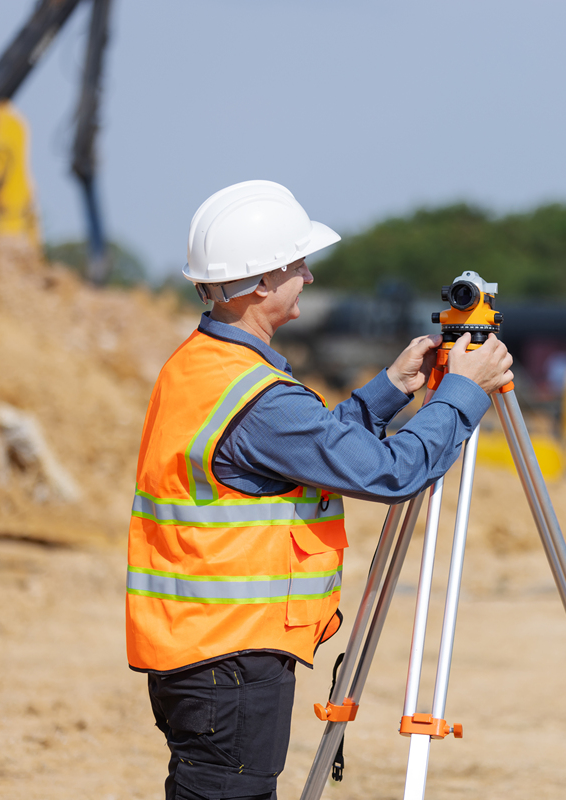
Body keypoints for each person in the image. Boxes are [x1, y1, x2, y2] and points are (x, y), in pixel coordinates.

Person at [126, 180, 513, 800]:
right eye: (295, 264)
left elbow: (305, 453)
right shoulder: (259, 399)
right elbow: (391, 474)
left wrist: (389, 389)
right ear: (256, 282)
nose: (307, 276)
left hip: (197, 651)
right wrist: (463, 393)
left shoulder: (202, 368)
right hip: (231, 660)